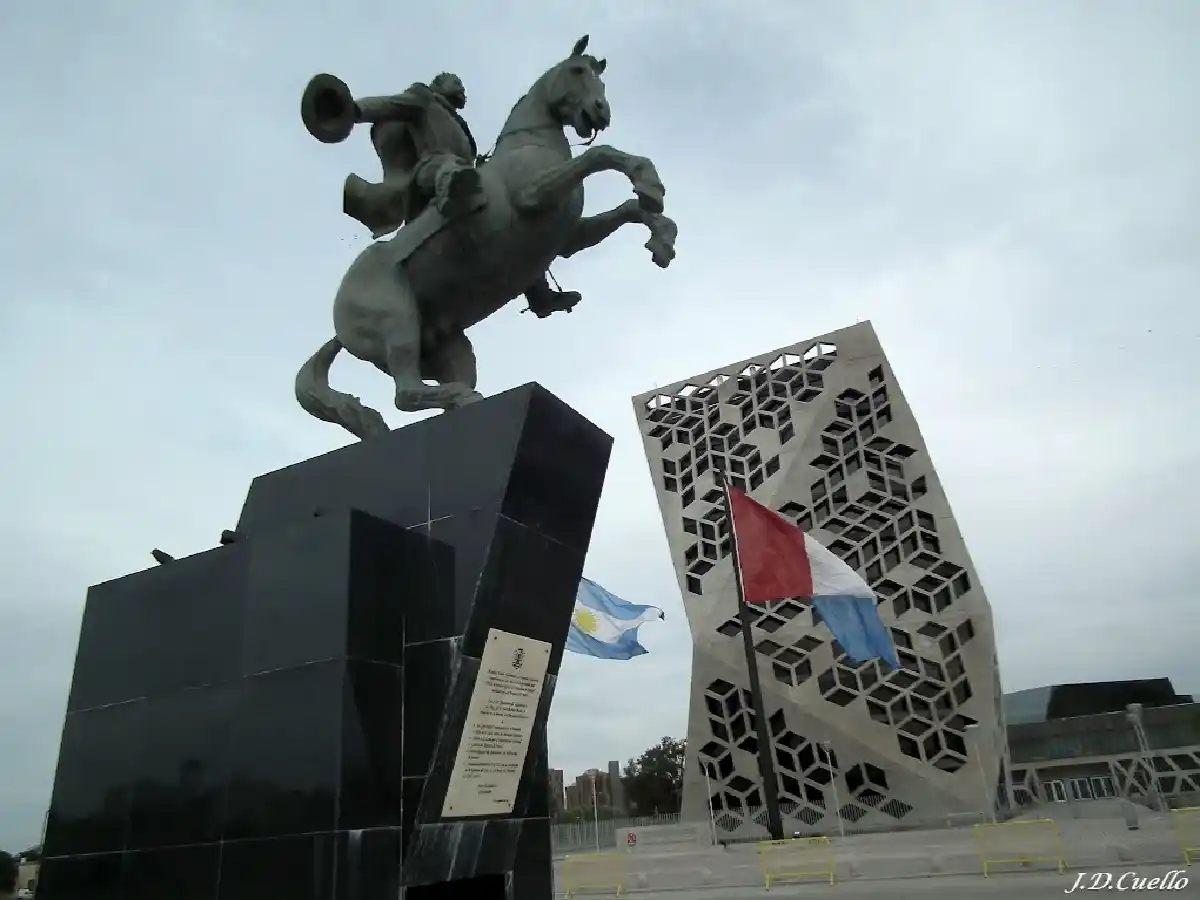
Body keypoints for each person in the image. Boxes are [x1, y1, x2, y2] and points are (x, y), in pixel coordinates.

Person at [343, 73, 578, 318]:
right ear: (439, 84)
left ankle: (540, 295)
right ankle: (451, 194)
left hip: (463, 178)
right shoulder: (423, 99)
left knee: (512, 215)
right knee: (450, 167)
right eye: (456, 82)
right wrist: (355, 110)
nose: (462, 88)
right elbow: (390, 105)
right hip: (431, 172)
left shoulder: (459, 126)